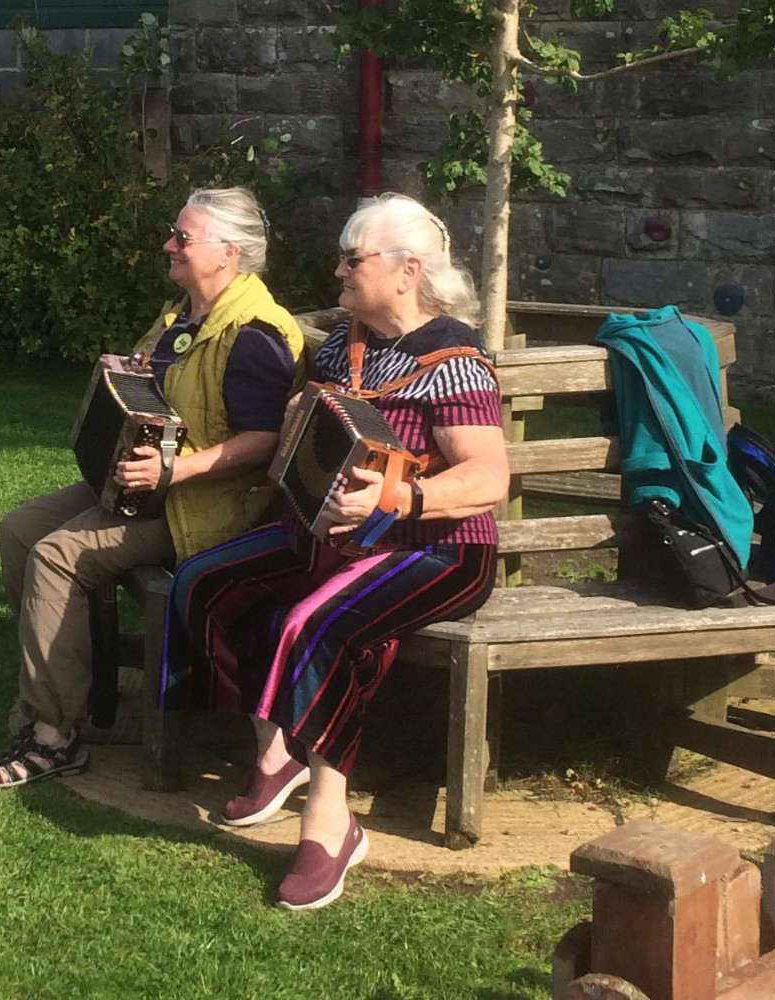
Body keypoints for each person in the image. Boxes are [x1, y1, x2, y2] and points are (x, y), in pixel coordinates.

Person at [161, 193, 509, 910]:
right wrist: (299, 428)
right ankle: (275, 746)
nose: (338, 269)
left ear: (408, 271)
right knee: (202, 582)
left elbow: (487, 479)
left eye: (354, 258)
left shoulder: (455, 360)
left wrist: (398, 500)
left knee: (314, 622)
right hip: (334, 535)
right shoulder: (339, 345)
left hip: (438, 548)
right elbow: (313, 433)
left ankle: (331, 813)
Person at [0, 188, 307, 788]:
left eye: (183, 237)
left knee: (57, 557)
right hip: (144, 486)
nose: (168, 245)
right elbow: (161, 388)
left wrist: (174, 472)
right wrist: (127, 373)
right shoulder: (184, 313)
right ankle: (72, 688)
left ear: (228, 253)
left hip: (206, 509)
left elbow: (266, 440)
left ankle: (53, 737)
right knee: (20, 530)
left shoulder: (254, 333)